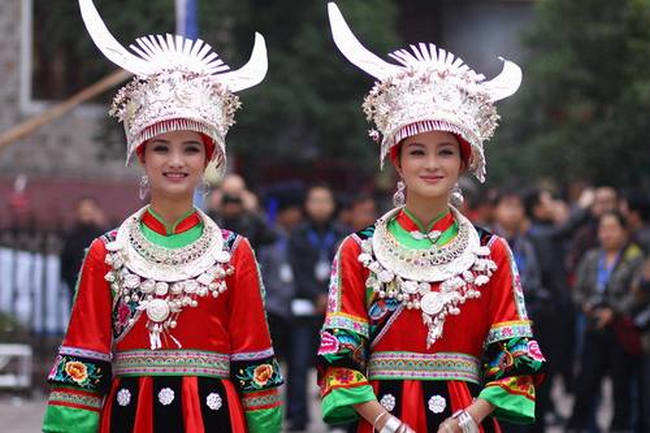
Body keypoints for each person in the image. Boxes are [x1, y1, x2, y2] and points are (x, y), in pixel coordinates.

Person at [42, 2, 282, 432]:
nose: (176, 161)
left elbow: (253, 362)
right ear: (141, 154)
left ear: (209, 156)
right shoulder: (107, 253)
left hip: (214, 418)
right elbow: (84, 359)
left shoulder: (234, 253)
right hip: (130, 417)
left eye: (191, 148)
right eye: (161, 147)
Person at [316, 4, 546, 433]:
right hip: (382, 421)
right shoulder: (358, 251)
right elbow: (340, 356)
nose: (431, 164)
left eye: (445, 150)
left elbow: (516, 355)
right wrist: (385, 423)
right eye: (417, 151)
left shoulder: (491, 252)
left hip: (465, 421)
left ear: (464, 160)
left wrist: (468, 419)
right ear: (396, 160)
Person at [566, 211, 644, 433]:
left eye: (612, 228)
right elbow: (578, 289)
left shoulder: (634, 257)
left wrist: (614, 311)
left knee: (621, 388)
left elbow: (637, 294)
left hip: (620, 330)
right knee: (586, 383)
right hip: (593, 326)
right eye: (603, 229)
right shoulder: (592, 256)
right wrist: (587, 306)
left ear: (624, 231)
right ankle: (581, 427)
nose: (607, 234)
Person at [286, 184, 346, 430]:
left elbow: (347, 270)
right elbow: (296, 270)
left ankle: (341, 416)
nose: (320, 206)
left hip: (335, 311)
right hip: (304, 310)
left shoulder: (343, 234)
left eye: (325, 200)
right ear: (306, 205)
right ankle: (298, 417)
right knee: (298, 365)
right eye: (315, 200)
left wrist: (330, 296)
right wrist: (315, 296)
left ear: (333, 205)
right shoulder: (297, 234)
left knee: (338, 364)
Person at [60, 197, 107, 297]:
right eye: (84, 212)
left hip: (97, 282)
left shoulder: (101, 235)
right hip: (75, 281)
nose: (86, 215)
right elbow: (66, 259)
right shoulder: (73, 235)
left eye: (89, 211)